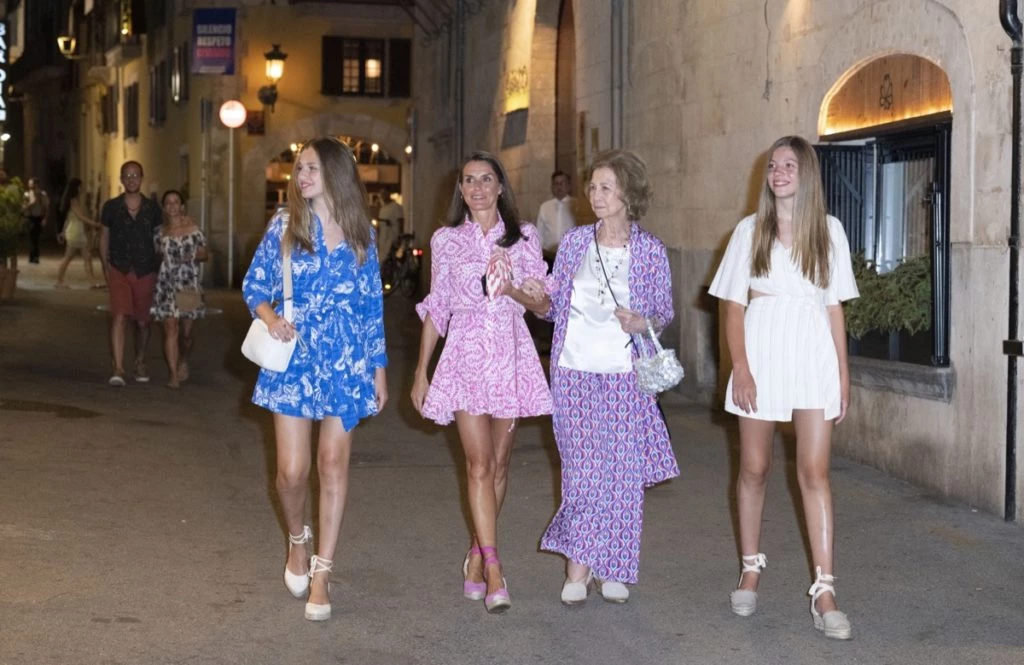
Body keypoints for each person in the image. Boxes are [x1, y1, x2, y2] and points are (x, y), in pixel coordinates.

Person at [707, 135, 859, 640]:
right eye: (773, 165)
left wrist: (843, 373)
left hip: (811, 355)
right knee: (755, 467)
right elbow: (733, 306)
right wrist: (741, 368)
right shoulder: (750, 231)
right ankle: (750, 569)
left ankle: (826, 589)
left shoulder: (829, 232)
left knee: (814, 472)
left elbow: (834, 307)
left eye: (789, 165)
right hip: (763, 353)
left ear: (807, 174)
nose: (778, 172)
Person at [522, 149, 680, 606]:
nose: (594, 194)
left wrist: (642, 320)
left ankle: (613, 566)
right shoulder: (573, 244)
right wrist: (535, 298)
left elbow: (663, 312)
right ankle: (578, 565)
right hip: (572, 371)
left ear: (628, 193)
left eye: (605, 187)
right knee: (581, 471)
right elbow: (553, 307)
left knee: (621, 474)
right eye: (592, 186)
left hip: (623, 376)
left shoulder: (649, 251)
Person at [242, 137, 388, 622]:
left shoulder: (361, 231)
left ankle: (322, 574)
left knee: (333, 464)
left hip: (346, 362)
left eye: (309, 168)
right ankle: (297, 539)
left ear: (335, 173)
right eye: (298, 168)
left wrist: (379, 370)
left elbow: (372, 308)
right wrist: (269, 317)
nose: (300, 176)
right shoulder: (285, 226)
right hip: (296, 362)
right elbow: (253, 285)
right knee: (291, 471)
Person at [411, 151, 551, 614]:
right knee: (477, 465)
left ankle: (475, 552)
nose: (476, 188)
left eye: (485, 179)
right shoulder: (446, 240)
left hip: (509, 355)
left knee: (499, 465)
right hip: (466, 358)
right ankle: (494, 567)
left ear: (500, 187)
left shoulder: (524, 236)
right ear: (461, 189)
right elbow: (438, 307)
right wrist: (421, 370)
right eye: (468, 180)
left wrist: (510, 287)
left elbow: (542, 306)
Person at [100, 161, 163, 386]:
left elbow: (159, 240)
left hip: (146, 270)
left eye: (135, 175)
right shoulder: (111, 207)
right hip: (119, 267)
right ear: (121, 179)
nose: (131, 179)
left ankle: (140, 360)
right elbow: (104, 237)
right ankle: (118, 367)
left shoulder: (153, 209)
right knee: (119, 316)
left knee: (143, 322)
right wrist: (105, 266)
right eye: (127, 175)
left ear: (141, 178)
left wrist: (160, 268)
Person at [151, 190, 207, 388]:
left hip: (188, 283)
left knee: (186, 335)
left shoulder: (193, 228)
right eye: (168, 202)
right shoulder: (159, 232)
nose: (172, 205)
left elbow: (204, 254)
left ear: (182, 206)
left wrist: (191, 256)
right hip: (166, 283)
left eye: (176, 202)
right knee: (170, 327)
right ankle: (173, 374)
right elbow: (157, 255)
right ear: (164, 207)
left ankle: (183, 359)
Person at [55, 178, 104, 289]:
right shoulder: (73, 201)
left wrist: (63, 232)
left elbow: (68, 219)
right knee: (69, 258)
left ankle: (92, 282)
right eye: (81, 186)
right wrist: (94, 224)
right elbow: (80, 217)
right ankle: (59, 281)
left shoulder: (73, 200)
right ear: (77, 187)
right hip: (75, 233)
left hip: (76, 232)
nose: (82, 188)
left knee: (87, 257)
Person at [535, 170, 576, 268]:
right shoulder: (545, 207)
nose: (559, 186)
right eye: (556, 184)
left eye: (562, 183)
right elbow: (540, 234)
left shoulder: (576, 205)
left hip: (571, 256)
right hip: (549, 256)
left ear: (569, 186)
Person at [22, 177, 50, 264]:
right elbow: (23, 207)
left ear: (36, 185)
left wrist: (45, 218)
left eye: (32, 184)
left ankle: (35, 256)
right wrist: (31, 203)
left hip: (39, 218)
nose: (30, 186)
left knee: (36, 238)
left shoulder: (42, 195)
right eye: (29, 184)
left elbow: (46, 208)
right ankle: (32, 256)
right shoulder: (26, 195)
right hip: (30, 217)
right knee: (31, 237)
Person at [376, 187, 404, 260]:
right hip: (382, 240)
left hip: (392, 239)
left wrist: (399, 237)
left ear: (389, 193)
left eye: (384, 193)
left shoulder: (396, 207)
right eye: (381, 194)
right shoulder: (382, 209)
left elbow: (401, 222)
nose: (383, 195)